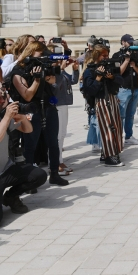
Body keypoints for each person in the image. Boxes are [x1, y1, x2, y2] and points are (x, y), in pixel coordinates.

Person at [10, 42, 68, 186]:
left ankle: (54, 174)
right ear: (31, 52)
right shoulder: (18, 71)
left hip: (48, 107)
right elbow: (27, 96)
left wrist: (50, 78)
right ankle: (29, 179)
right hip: (31, 109)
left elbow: (54, 84)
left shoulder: (45, 67)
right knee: (30, 145)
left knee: (53, 143)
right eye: (40, 54)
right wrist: (36, 80)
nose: (43, 57)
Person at [0, 94, 47, 224]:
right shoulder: (4, 118)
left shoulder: (3, 117)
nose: (3, 100)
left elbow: (28, 129)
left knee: (39, 175)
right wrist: (7, 117)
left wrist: (22, 118)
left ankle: (10, 197)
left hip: (6, 169)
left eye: (4, 97)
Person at [83, 45, 125, 166]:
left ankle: (110, 152)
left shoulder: (110, 66)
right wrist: (98, 78)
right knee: (107, 128)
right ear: (97, 56)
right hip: (100, 101)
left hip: (112, 99)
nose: (106, 58)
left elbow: (120, 81)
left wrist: (111, 77)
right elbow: (90, 91)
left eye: (107, 55)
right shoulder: (89, 70)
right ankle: (109, 157)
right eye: (104, 55)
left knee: (116, 126)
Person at [50, 45, 79, 175]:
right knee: (56, 136)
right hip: (55, 105)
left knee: (62, 134)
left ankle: (59, 160)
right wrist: (60, 68)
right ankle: (55, 163)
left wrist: (75, 69)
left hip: (64, 104)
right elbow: (55, 86)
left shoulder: (59, 69)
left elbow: (72, 81)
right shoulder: (50, 69)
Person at [113, 35, 138, 145]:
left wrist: (134, 65)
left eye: (131, 42)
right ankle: (118, 138)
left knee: (131, 115)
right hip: (123, 90)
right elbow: (118, 73)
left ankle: (129, 136)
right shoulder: (117, 55)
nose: (130, 44)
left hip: (135, 90)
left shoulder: (136, 55)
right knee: (121, 116)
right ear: (123, 42)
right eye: (128, 42)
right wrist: (126, 61)